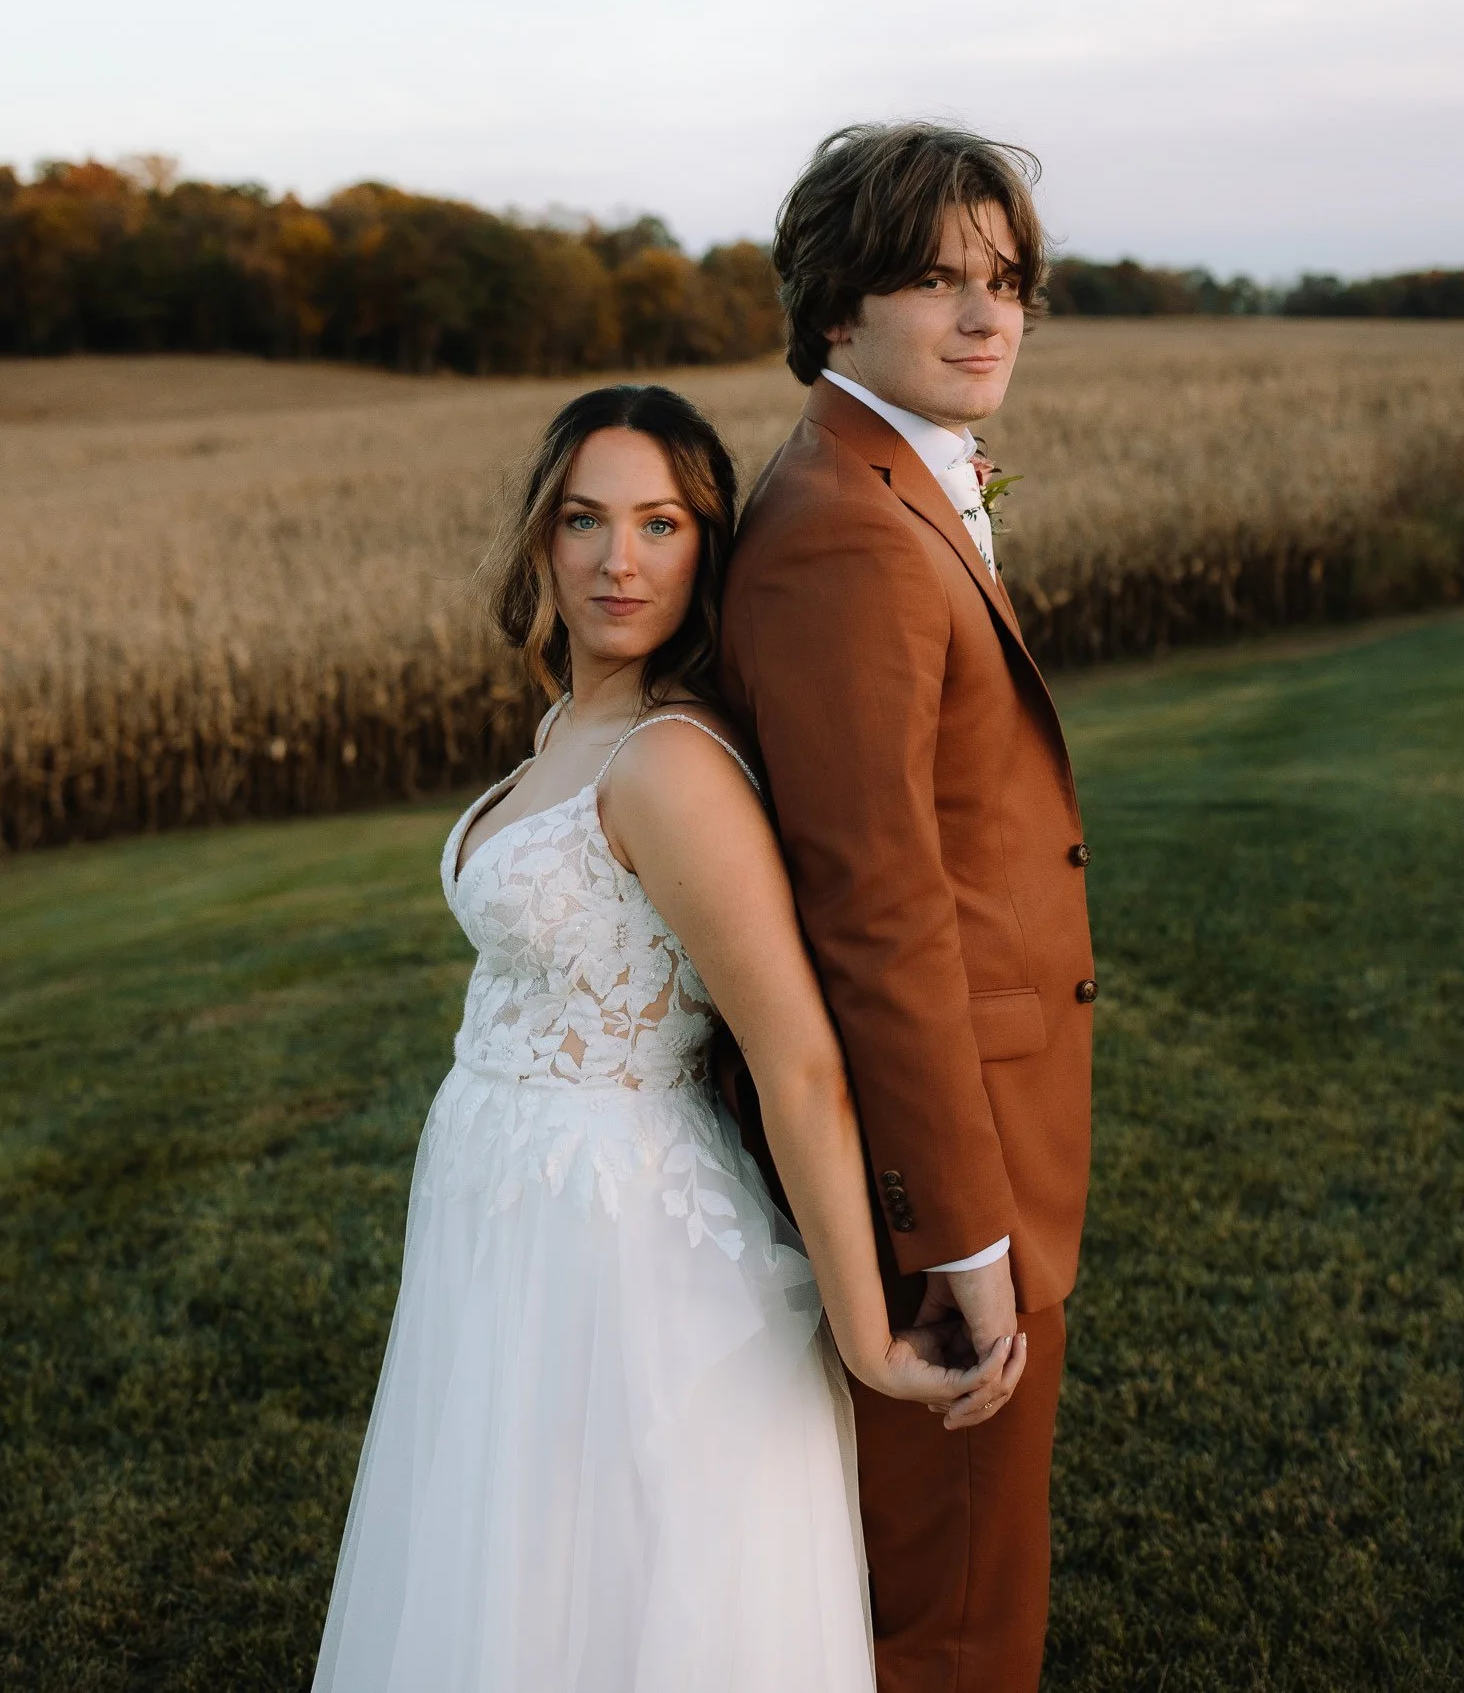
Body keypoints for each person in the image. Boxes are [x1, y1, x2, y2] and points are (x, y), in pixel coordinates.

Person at [311, 382, 1012, 1693]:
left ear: (710, 545)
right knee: (519, 1580)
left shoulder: (672, 764)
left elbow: (799, 1058)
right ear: (542, 540)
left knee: (637, 1594)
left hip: (627, 1249)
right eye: (584, 519)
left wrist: (865, 1331)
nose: (616, 559)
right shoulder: (570, 729)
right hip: (508, 1221)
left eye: (661, 523)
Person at [720, 124, 1096, 1693]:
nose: (985, 313)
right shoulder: (844, 535)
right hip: (943, 1174)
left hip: (976, 1130)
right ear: (830, 310)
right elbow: (875, 912)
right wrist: (961, 1232)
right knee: (945, 1617)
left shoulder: (892, 482)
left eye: (1003, 279)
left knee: (954, 1582)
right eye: (936, 278)